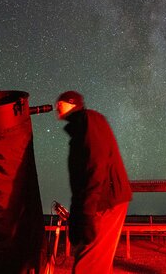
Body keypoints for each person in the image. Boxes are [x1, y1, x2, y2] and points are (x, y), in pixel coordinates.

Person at [55, 90, 132, 274]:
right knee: (95, 261)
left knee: (89, 266)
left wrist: (87, 211)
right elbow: (80, 181)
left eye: (62, 102)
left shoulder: (90, 120)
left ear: (73, 103)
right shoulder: (79, 129)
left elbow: (96, 165)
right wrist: (76, 216)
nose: (57, 105)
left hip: (106, 202)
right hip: (99, 202)